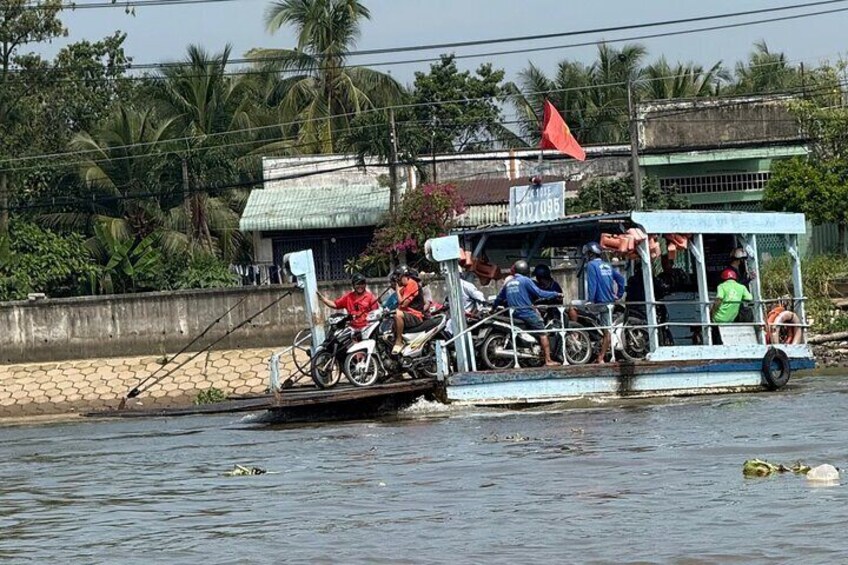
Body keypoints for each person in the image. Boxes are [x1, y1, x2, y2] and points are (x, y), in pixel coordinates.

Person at [493, 259, 563, 366]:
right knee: (543, 333)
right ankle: (548, 360)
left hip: (514, 314)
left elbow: (499, 298)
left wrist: (492, 309)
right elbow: (539, 293)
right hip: (526, 313)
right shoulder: (525, 280)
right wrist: (555, 294)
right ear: (525, 270)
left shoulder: (509, 283)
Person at [583, 242, 626, 364]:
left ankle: (601, 357)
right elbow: (621, 279)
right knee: (605, 328)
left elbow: (593, 284)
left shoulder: (591, 265)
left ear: (591, 254)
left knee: (574, 308)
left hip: (599, 303)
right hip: (609, 303)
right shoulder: (607, 265)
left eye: (587, 254)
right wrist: (619, 294)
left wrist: (590, 300)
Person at [710, 268, 753, 345]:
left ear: (723, 278)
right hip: (731, 318)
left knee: (712, 328)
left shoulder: (721, 286)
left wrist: (712, 311)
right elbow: (749, 298)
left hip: (718, 318)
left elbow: (719, 299)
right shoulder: (741, 287)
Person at [391, 266, 426, 354]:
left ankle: (399, 342)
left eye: (398, 279)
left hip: (416, 315)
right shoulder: (404, 286)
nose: (397, 282)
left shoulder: (412, 284)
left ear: (404, 276)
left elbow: (403, 303)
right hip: (408, 315)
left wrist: (397, 291)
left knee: (397, 314)